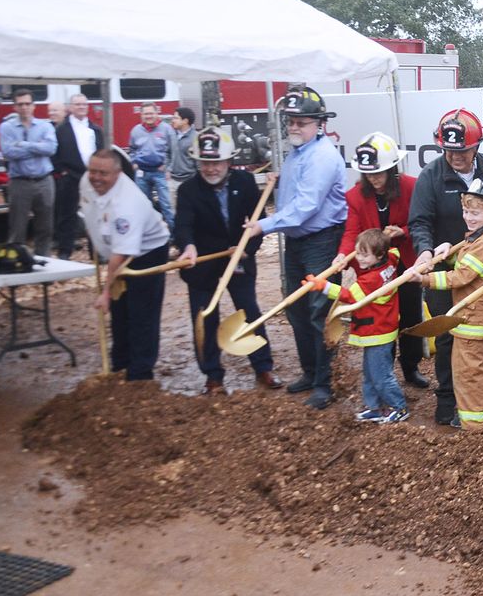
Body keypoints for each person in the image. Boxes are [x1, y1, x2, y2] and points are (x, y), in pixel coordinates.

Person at [409, 107, 483, 426]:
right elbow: (419, 221)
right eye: (449, 150)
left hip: (480, 269)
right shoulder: (431, 176)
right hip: (444, 268)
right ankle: (448, 402)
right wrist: (425, 252)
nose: (456, 157)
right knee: (447, 332)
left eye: (462, 151)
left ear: (476, 147)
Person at [243, 86, 346, 411]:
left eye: (301, 122)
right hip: (298, 242)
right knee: (297, 309)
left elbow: (306, 205)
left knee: (318, 312)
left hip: (322, 240)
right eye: (291, 121)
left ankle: (325, 384)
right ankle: (310, 372)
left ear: (318, 123)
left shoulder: (323, 156)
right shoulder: (297, 154)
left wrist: (264, 224)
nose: (294, 127)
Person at [175, 126, 283, 395]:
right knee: (204, 317)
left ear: (229, 161)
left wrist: (249, 249)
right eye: (205, 163)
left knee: (249, 312)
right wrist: (187, 247)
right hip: (202, 265)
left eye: (216, 162)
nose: (211, 169)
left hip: (239, 260)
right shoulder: (188, 190)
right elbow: (183, 226)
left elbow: (257, 223)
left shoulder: (245, 183)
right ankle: (212, 376)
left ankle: (263, 367)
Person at [337, 132, 428, 389]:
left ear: (391, 169)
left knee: (410, 315)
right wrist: (343, 254)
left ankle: (410, 367)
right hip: (376, 269)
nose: (374, 179)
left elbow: (421, 220)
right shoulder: (355, 197)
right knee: (379, 317)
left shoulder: (411, 186)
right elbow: (351, 232)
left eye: (379, 173)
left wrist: (403, 232)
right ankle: (383, 369)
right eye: (368, 174)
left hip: (406, 262)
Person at [417, 179, 483, 430]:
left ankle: (473, 424)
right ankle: (474, 414)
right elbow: (466, 261)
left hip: (474, 319)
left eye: (475, 212)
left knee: (469, 373)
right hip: (468, 316)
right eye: (466, 211)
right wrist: (450, 250)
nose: (468, 217)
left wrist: (425, 279)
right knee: (464, 369)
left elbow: (461, 277)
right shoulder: (477, 238)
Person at [82, 148, 171, 380]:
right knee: (119, 311)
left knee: (141, 312)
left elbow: (119, 258)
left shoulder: (127, 204)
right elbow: (91, 212)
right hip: (117, 249)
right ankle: (120, 365)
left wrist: (105, 293)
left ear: (118, 173)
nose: (96, 178)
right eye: (92, 171)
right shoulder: (87, 181)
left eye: (103, 173)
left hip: (148, 252)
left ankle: (140, 373)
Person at [310, 229, 409, 424]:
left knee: (381, 376)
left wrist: (323, 286)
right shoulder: (390, 259)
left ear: (379, 255)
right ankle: (374, 408)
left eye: (365, 254)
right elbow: (395, 251)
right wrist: (384, 237)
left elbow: (349, 296)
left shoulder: (371, 279)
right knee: (371, 373)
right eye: (357, 253)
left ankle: (399, 407)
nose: (360, 259)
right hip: (382, 329)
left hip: (377, 332)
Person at [0, 89, 58, 256]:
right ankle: (15, 264)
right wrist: (37, 146)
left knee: (45, 227)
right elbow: (9, 153)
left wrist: (23, 144)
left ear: (33, 106)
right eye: (20, 104)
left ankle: (44, 263)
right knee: (17, 228)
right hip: (19, 182)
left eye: (27, 103)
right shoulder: (6, 127)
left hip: (44, 181)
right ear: (14, 107)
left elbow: (51, 148)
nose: (24, 107)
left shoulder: (45, 126)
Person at [53, 93, 103, 259]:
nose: (81, 107)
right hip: (70, 177)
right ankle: (65, 251)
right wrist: (62, 172)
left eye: (84, 104)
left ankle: (96, 252)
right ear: (70, 107)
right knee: (67, 215)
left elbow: (102, 152)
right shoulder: (61, 129)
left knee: (95, 215)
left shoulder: (95, 129)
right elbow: (55, 153)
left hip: (92, 177)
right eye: (77, 104)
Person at [128, 102, 176, 229]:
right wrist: (134, 162)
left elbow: (173, 150)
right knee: (143, 205)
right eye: (145, 113)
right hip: (142, 173)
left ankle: (174, 235)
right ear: (141, 115)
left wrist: (168, 167)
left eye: (151, 113)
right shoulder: (136, 130)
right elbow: (132, 149)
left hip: (160, 173)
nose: (148, 116)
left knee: (166, 204)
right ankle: (148, 233)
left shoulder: (166, 129)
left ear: (156, 114)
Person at [168, 107, 198, 204]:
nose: (172, 121)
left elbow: (199, 161)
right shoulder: (171, 135)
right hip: (172, 180)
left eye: (176, 118)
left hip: (189, 181)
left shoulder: (196, 137)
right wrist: (167, 169)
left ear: (185, 121)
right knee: (172, 212)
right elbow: (167, 153)